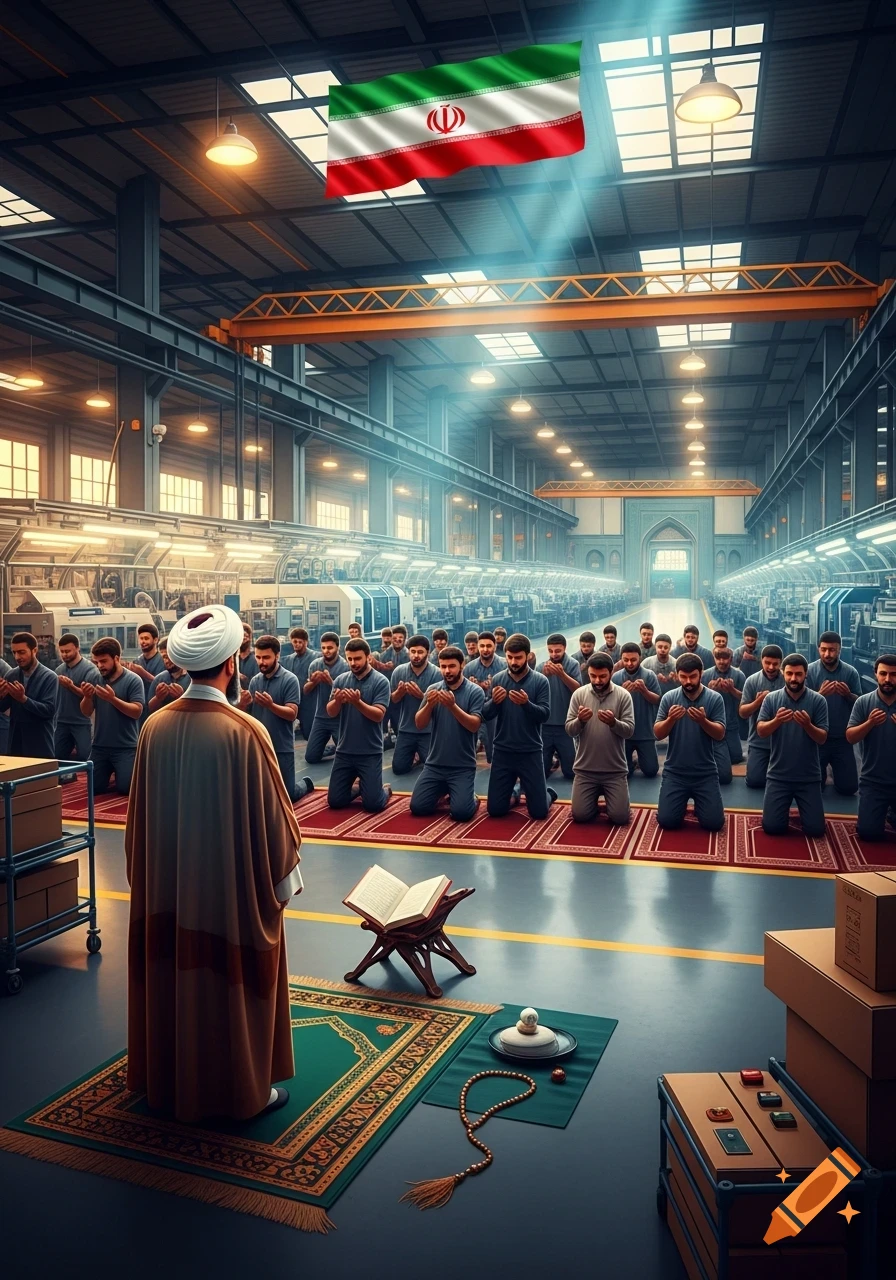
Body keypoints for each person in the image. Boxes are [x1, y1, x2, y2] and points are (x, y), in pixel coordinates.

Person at [125, 603, 301, 1122]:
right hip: (225, 899)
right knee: (229, 980)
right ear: (231, 665)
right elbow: (275, 828)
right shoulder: (244, 730)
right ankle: (242, 1091)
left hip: (169, 892)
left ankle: (169, 1077)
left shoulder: (155, 726)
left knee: (172, 974)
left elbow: (138, 822)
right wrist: (282, 884)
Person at [482, 634, 556, 819]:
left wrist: (526, 704)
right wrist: (494, 702)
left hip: (530, 751)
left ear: (528, 656)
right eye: (510, 657)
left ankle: (547, 794)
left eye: (518, 657)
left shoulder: (540, 681)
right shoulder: (498, 679)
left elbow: (544, 715)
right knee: (495, 811)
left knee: (539, 813)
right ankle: (515, 792)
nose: (513, 662)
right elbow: (486, 714)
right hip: (503, 751)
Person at [410, 645, 485, 823]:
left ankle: (470, 797)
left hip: (462, 766)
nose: (447, 671)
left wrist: (453, 706)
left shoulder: (475, 691)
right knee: (418, 807)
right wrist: (429, 704)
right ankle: (444, 791)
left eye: (451, 666)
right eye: (443, 667)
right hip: (435, 765)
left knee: (461, 813)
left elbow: (474, 726)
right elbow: (419, 724)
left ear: (462, 665)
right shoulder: (433, 689)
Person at [757, 654, 828, 837]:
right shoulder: (771, 699)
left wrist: (807, 725)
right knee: (772, 828)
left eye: (798, 674)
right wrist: (777, 721)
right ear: (783, 673)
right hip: (778, 776)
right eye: (789, 674)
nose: (793, 679)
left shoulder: (818, 700)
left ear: (806, 674)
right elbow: (761, 731)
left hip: (809, 777)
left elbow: (822, 738)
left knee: (816, 831)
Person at [654, 655, 726, 832]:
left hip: (705, 773)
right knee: (667, 822)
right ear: (677, 675)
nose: (688, 681)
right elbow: (658, 733)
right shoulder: (669, 698)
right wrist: (670, 719)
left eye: (692, 676)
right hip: (675, 773)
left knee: (713, 824)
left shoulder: (715, 698)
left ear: (701, 674)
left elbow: (719, 734)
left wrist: (703, 721)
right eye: (683, 677)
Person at [241, 636, 313, 803]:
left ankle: (305, 784)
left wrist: (271, 705)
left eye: (266, 657)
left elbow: (292, 714)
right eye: (258, 657)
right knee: (257, 794)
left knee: (287, 796)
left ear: (277, 656)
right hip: (259, 746)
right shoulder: (255, 681)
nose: (261, 662)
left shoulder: (289, 680)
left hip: (282, 747)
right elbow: (248, 716)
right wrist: (242, 705)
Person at [565, 653, 634, 825]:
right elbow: (569, 730)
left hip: (615, 771)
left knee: (620, 818)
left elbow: (629, 731)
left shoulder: (623, 695)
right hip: (585, 770)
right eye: (593, 676)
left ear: (611, 673)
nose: (597, 680)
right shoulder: (579, 695)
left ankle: (613, 802)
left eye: (602, 676)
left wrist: (613, 723)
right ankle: (594, 801)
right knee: (580, 816)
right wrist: (580, 721)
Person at [326, 638, 392, 812]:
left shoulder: (381, 682)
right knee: (335, 801)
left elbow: (378, 716)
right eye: (350, 659)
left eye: (357, 659)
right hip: (344, 751)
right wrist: (338, 701)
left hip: (369, 751)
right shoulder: (340, 680)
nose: (353, 663)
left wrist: (358, 702)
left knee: (373, 805)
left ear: (368, 657)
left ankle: (384, 790)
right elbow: (331, 712)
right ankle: (359, 787)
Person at [81, 638, 144, 795]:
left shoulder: (133, 680)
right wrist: (87, 697)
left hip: (125, 747)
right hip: (99, 746)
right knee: (93, 788)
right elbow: (86, 712)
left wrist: (112, 699)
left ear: (117, 658)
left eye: (104, 661)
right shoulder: (94, 678)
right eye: (97, 662)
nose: (100, 666)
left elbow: (137, 711)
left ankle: (122, 773)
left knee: (126, 789)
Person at [846, 655, 896, 840]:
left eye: (893, 674)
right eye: (883, 674)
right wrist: (869, 723)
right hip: (873, 781)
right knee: (868, 834)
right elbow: (850, 737)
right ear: (876, 674)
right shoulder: (863, 702)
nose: (888, 679)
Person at [806, 631, 862, 796]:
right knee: (814, 787)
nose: (827, 654)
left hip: (842, 739)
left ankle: (836, 773)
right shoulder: (809, 671)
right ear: (818, 649)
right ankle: (824, 774)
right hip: (817, 738)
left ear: (839, 650)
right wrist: (820, 695)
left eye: (832, 650)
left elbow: (859, 704)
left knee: (849, 788)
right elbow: (802, 705)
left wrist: (847, 695)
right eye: (823, 649)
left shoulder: (851, 672)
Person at [0, 632, 58, 757]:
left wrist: (23, 699)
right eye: (14, 652)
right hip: (16, 743)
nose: (17, 657)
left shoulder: (49, 677)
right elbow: (2, 707)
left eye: (21, 652)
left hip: (40, 744)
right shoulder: (12, 675)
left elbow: (48, 711)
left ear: (34, 650)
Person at [390, 635, 441, 774]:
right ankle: (415, 757)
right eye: (413, 652)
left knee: (433, 769)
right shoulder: (399, 671)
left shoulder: (437, 673)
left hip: (428, 731)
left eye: (420, 652)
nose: (416, 656)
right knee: (399, 769)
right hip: (406, 729)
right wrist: (399, 693)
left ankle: (421, 756)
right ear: (408, 652)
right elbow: (393, 701)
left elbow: (440, 705)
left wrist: (421, 696)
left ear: (428, 653)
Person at [612, 642, 661, 778]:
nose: (629, 663)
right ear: (621, 659)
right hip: (624, 732)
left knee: (651, 771)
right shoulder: (616, 677)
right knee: (624, 772)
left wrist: (644, 691)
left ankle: (641, 760)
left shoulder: (649, 675)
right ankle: (632, 762)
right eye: (625, 660)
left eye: (633, 660)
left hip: (645, 731)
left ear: (639, 658)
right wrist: (623, 693)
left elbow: (657, 700)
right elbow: (611, 705)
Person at [538, 633, 583, 780]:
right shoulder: (541, 667)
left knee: (571, 773)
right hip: (545, 726)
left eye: (557, 651)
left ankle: (559, 759)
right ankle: (552, 761)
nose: (554, 654)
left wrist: (562, 674)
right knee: (540, 773)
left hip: (565, 726)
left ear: (564, 648)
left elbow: (578, 690)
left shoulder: (573, 664)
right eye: (550, 650)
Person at [55, 632, 100, 773]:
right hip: (62, 721)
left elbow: (89, 696)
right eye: (62, 652)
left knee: (85, 757)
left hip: (81, 721)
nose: (65, 655)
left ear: (77, 648)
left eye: (67, 651)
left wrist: (70, 686)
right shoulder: (59, 669)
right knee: (57, 756)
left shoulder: (90, 670)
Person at [740, 645, 785, 788]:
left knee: (787, 781)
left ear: (781, 663)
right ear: (761, 661)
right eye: (767, 663)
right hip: (759, 742)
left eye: (775, 664)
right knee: (755, 781)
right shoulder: (752, 681)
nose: (771, 667)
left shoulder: (787, 681)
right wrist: (758, 702)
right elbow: (743, 713)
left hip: (784, 742)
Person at [702, 647, 745, 785]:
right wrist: (709, 690)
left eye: (725, 658)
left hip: (731, 724)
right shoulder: (705, 675)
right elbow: (697, 699)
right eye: (718, 658)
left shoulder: (739, 675)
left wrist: (732, 690)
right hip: (710, 723)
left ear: (731, 659)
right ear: (714, 659)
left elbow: (745, 698)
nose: (722, 661)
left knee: (736, 757)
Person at [303, 632, 349, 763]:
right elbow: (306, 690)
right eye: (323, 648)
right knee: (311, 758)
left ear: (337, 648)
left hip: (339, 718)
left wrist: (330, 682)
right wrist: (314, 682)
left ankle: (339, 746)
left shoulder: (345, 667)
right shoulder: (315, 665)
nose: (326, 651)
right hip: (321, 717)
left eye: (330, 648)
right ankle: (329, 748)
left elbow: (346, 695)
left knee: (347, 757)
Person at [465, 631, 507, 763]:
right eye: (482, 646)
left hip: (498, 711)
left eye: (489, 646)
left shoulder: (505, 665)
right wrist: (473, 686)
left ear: (495, 646)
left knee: (493, 752)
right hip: (476, 710)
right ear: (478, 647)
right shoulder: (469, 668)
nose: (485, 649)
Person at [281, 627, 320, 740]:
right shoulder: (288, 660)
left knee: (310, 734)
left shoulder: (316, 657)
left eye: (300, 642)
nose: (297, 644)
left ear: (305, 642)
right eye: (295, 642)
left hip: (310, 702)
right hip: (294, 701)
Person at [146, 638, 191, 715]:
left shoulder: (192, 679)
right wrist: (158, 698)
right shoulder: (159, 679)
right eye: (163, 657)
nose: (166, 661)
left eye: (168, 656)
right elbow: (148, 710)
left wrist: (181, 697)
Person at [238, 623, 260, 688]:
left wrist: (242, 678)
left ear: (250, 638)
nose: (243, 640)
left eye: (245, 636)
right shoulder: (231, 659)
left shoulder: (256, 659)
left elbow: (258, 683)